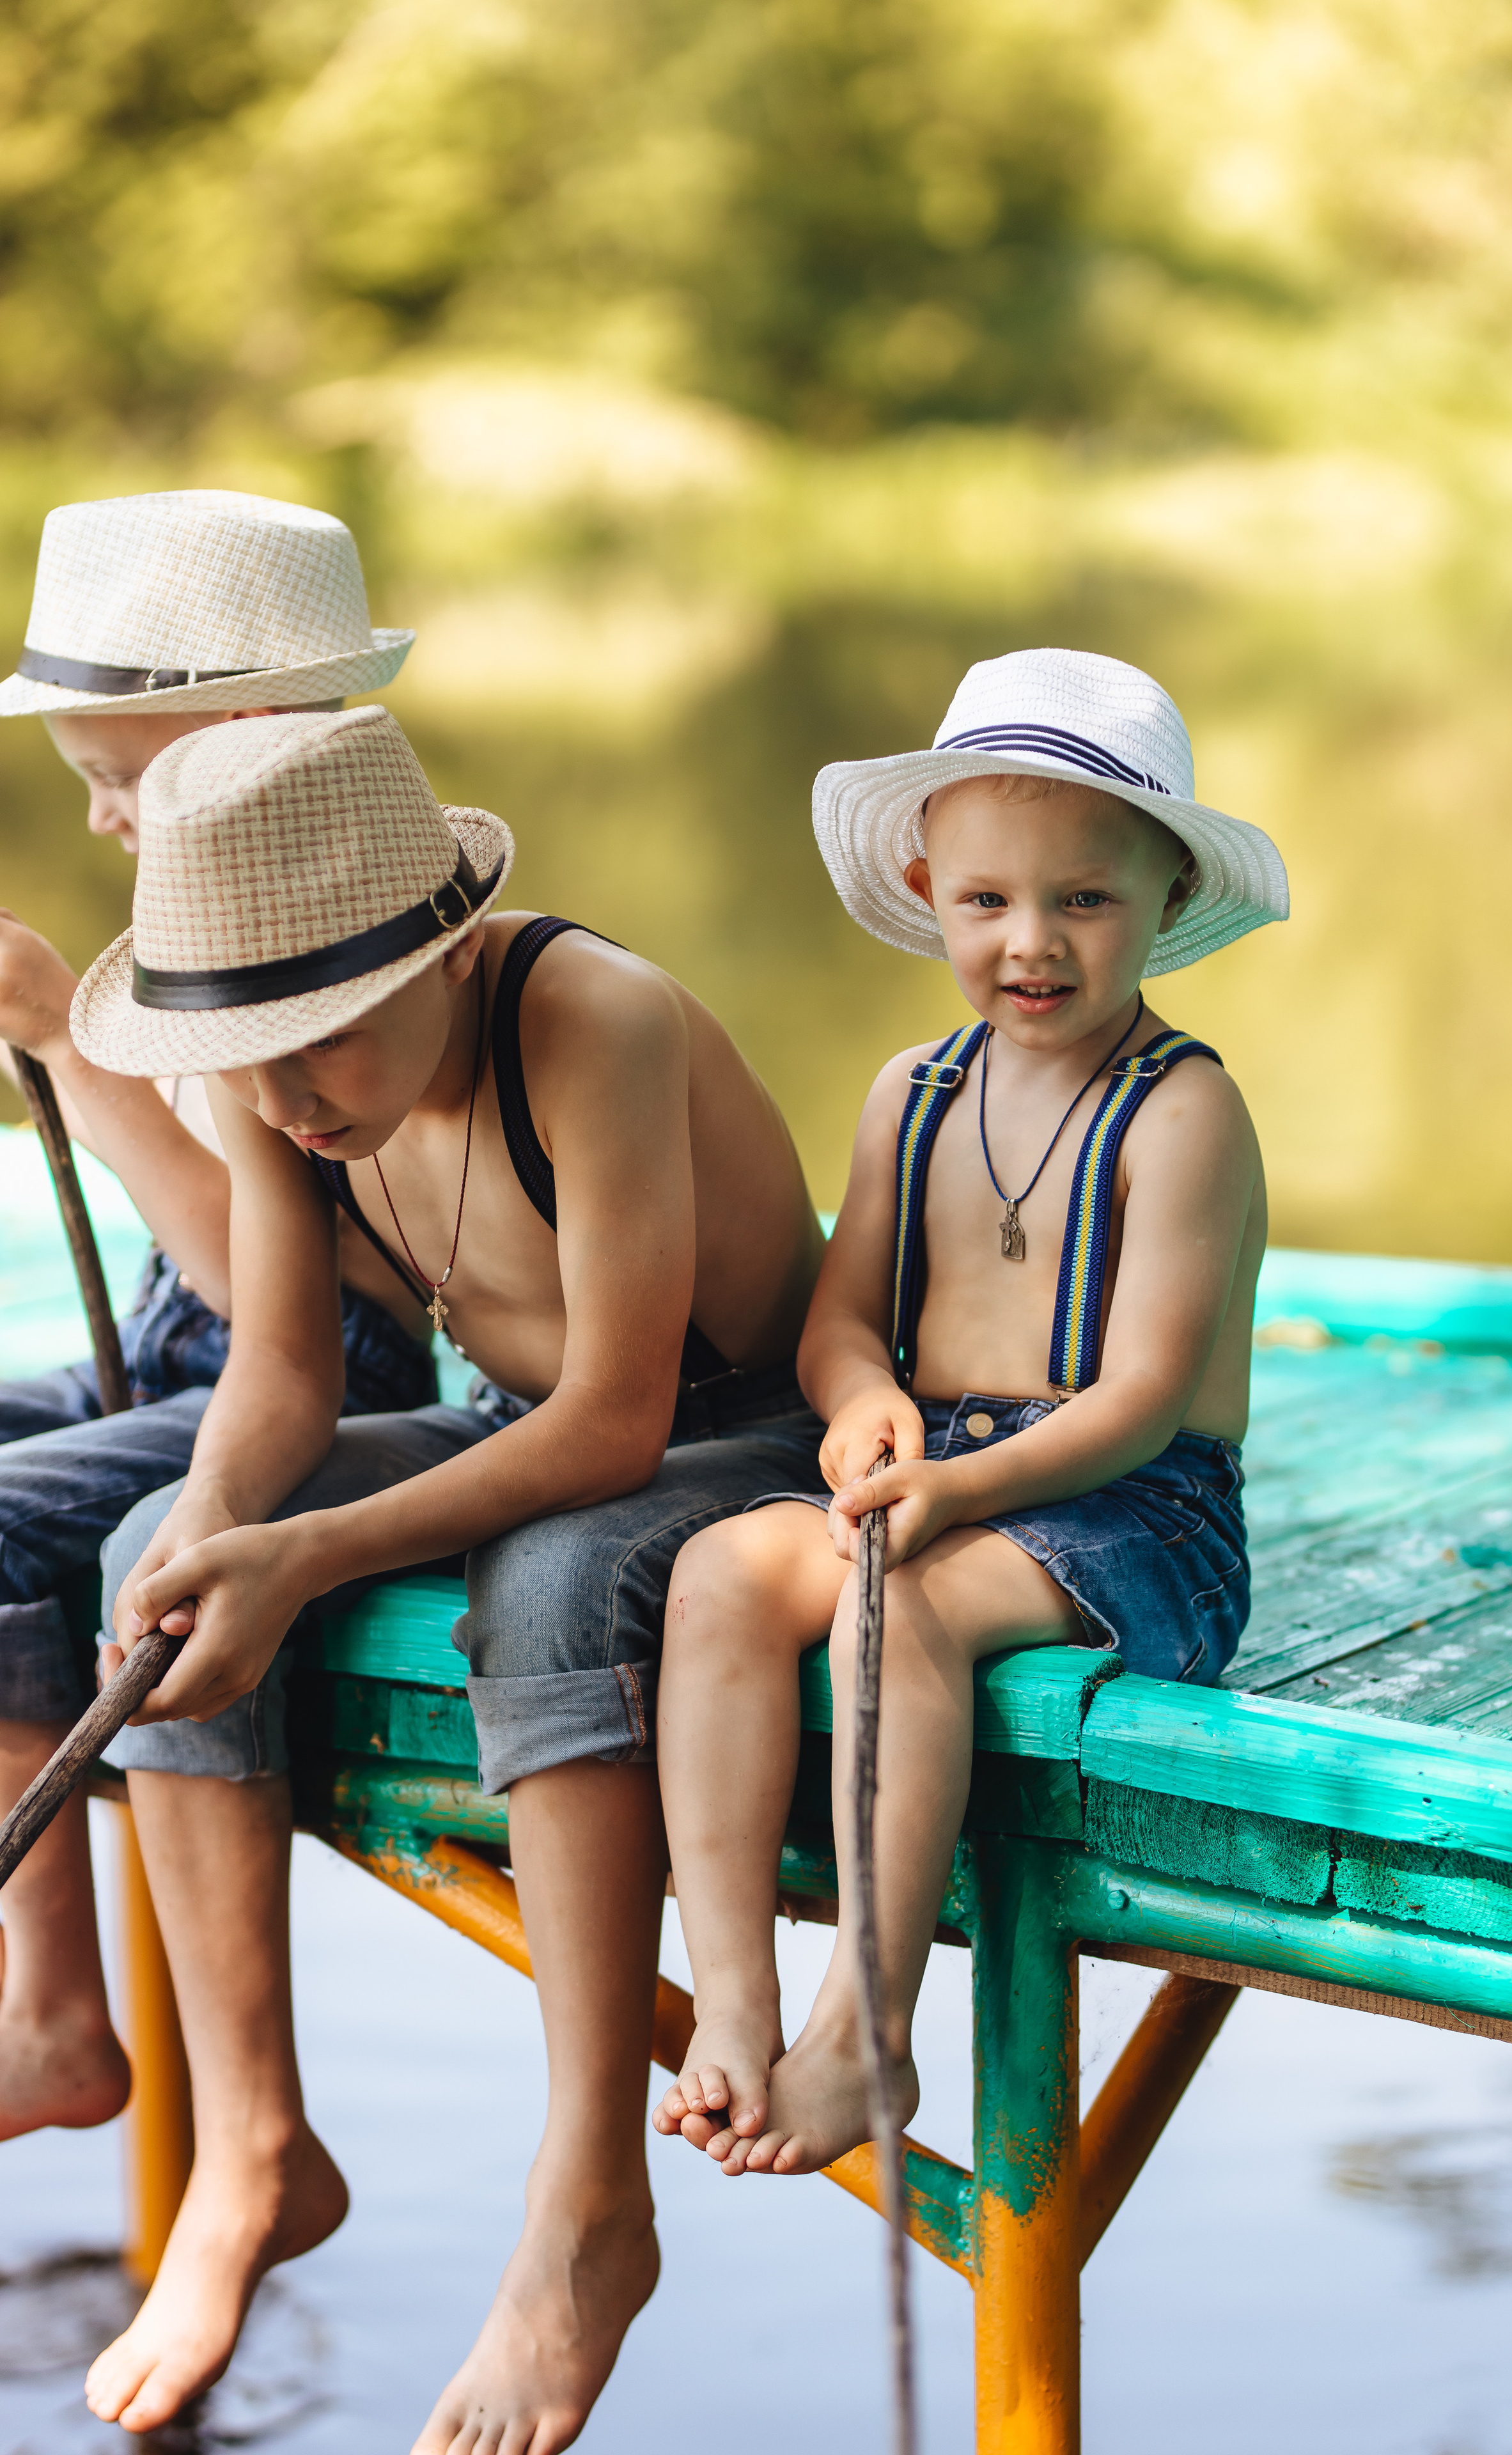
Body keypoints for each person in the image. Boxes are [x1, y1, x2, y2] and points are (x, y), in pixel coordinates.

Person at [79, 704, 825, 2442]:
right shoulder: (280, 1071)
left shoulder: (592, 1021)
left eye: (319, 1042)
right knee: (151, 1547)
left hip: (735, 1433)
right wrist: (215, 1543)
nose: (282, 1100)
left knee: (553, 1583)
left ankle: (586, 2206)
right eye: (247, 1056)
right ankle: (252, 2143)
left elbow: (617, 1429)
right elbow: (282, 1379)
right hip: (523, 1417)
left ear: (444, 940)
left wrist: (307, 1552)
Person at [651, 647, 1288, 2175]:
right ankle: (736, 2003)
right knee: (720, 1573)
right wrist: (864, 1397)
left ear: (1160, 902)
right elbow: (843, 1315)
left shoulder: (1183, 1109)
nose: (1033, 943)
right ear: (930, 885)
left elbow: (1140, 1400)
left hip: (1137, 1508)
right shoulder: (912, 1093)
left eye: (1084, 900)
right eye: (988, 901)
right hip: (940, 1469)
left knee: (900, 1617)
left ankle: (868, 2031)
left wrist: (951, 1496)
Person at [0, 490, 438, 2149]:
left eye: (117, 779)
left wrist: (63, 1046)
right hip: (206, 1332)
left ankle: (50, 2012)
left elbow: (293, 1308)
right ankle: (43, 2003)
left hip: (311, 1363)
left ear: (237, 738)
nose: (107, 823)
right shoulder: (206, 919)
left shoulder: (311, 948)